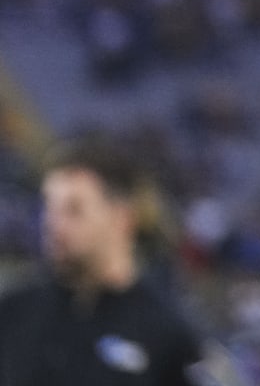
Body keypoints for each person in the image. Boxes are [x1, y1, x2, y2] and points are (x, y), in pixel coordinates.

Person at [0, 142, 212, 386]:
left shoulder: (168, 332)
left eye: (74, 210)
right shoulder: (13, 312)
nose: (52, 223)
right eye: (49, 207)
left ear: (122, 218)